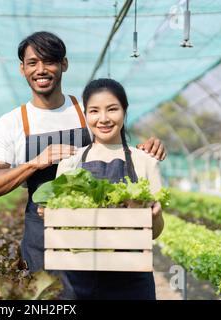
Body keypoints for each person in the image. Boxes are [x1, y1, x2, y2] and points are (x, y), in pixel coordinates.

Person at [0, 31, 166, 298]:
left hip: (105, 243)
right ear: (22, 69)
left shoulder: (87, 112)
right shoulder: (12, 123)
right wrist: (35, 163)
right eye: (32, 63)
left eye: (49, 61)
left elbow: (121, 149)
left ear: (63, 64)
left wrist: (149, 148)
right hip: (43, 240)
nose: (41, 70)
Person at [54, 78, 164, 299]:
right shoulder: (70, 162)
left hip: (132, 279)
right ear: (85, 115)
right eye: (94, 111)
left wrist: (155, 217)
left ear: (124, 111)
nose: (103, 119)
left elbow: (156, 232)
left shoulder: (145, 161)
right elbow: (62, 230)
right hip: (79, 278)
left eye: (112, 109)